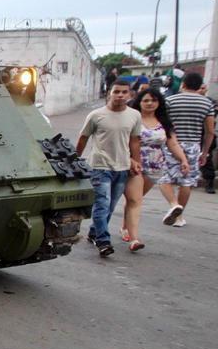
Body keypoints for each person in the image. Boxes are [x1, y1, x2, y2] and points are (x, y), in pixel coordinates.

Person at [76, 80, 142, 256]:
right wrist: (74, 160)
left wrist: (136, 160)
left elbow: (135, 141)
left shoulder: (134, 115)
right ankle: (103, 241)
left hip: (122, 168)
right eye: (116, 91)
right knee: (102, 205)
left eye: (124, 92)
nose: (120, 95)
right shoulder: (96, 115)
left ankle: (93, 232)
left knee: (111, 206)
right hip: (99, 166)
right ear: (109, 93)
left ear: (130, 95)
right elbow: (83, 138)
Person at [119, 88, 189, 252]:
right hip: (135, 164)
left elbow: (172, 144)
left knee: (136, 198)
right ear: (140, 102)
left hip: (156, 166)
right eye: (146, 100)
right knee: (135, 199)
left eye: (154, 100)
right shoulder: (132, 118)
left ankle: (125, 226)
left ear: (159, 103)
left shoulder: (163, 121)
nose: (150, 103)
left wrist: (183, 160)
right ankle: (132, 235)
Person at [157, 71, 216, 227]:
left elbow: (161, 122)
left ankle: (173, 204)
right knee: (186, 181)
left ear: (183, 84)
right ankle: (179, 217)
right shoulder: (207, 103)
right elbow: (210, 131)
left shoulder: (170, 100)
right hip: (193, 145)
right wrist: (205, 151)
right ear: (200, 86)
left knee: (165, 178)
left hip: (171, 142)